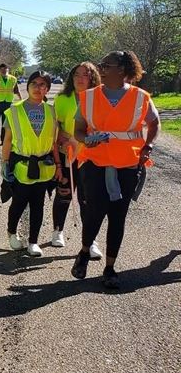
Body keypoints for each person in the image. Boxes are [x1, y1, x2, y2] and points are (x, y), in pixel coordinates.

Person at [71, 51, 160, 288]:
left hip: (127, 164)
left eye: (105, 65)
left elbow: (154, 122)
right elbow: (78, 128)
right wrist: (85, 139)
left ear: (121, 69)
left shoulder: (141, 97)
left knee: (118, 217)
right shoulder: (88, 97)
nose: (100, 68)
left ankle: (110, 268)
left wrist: (148, 145)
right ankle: (84, 250)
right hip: (94, 162)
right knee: (95, 211)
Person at [1, 71, 61, 257]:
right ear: (27, 86)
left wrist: (59, 165)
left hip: (44, 167)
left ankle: (33, 242)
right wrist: (4, 163)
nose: (37, 87)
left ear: (47, 89)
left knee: (38, 205)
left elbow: (54, 143)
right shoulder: (14, 110)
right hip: (21, 166)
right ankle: (12, 232)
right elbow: (8, 140)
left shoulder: (51, 111)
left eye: (42, 84)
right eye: (34, 83)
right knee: (18, 202)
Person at [49, 62, 103, 257]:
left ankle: (91, 241)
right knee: (64, 194)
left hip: (92, 158)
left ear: (93, 78)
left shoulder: (99, 98)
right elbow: (55, 127)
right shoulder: (62, 99)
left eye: (85, 75)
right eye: (76, 74)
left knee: (89, 200)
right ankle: (57, 231)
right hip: (68, 154)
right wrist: (64, 137)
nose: (80, 78)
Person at [0, 63, 22, 143]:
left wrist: (21, 99)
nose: (3, 70)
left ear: (8, 70)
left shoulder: (13, 79)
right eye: (2, 69)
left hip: (8, 103)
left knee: (5, 122)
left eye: (5, 69)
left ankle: (3, 139)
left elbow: (16, 90)